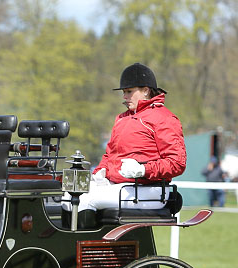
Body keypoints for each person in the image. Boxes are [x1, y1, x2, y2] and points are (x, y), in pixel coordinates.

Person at [67, 63, 186, 214]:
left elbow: (177, 163)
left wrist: (143, 170)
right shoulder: (122, 118)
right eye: (124, 92)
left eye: (129, 91)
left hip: (150, 190)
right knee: (68, 195)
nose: (124, 96)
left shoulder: (164, 118)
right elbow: (110, 154)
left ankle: (87, 238)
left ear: (145, 91)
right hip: (122, 187)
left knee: (84, 200)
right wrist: (101, 171)